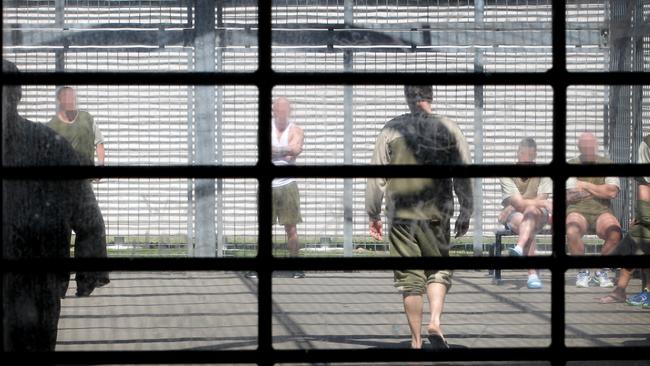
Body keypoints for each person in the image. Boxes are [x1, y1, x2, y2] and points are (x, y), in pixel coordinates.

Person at [2, 60, 109, 352]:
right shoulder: (50, 144)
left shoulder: (52, 145)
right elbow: (88, 217)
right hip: (41, 275)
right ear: (18, 95)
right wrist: (88, 272)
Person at [366, 85, 473, 350]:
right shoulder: (450, 128)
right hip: (438, 210)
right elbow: (463, 172)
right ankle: (435, 321)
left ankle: (415, 342)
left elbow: (377, 175)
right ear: (431, 96)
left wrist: (373, 213)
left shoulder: (391, 129)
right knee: (438, 267)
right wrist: (466, 208)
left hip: (401, 214)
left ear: (407, 98)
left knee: (410, 278)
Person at [246, 96, 304, 279]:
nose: (281, 113)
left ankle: (296, 267)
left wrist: (278, 150)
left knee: (291, 228)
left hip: (287, 184)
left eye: (284, 109)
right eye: (277, 109)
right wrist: (285, 151)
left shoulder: (296, 129)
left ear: (289, 111)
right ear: (273, 111)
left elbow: (296, 150)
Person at [597, 134, 650, 307]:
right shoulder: (647, 143)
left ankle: (625, 291)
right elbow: (644, 183)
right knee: (639, 236)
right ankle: (641, 292)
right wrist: (644, 214)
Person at [566, 132, 622, 288]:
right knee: (572, 231)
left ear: (596, 146)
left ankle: (600, 270)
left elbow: (612, 192)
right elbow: (570, 194)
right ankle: (582, 271)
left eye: (591, 146)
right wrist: (599, 190)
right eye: (585, 147)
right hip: (576, 210)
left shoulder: (608, 164)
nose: (588, 149)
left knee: (615, 231)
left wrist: (583, 185)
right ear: (579, 148)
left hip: (602, 211)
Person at [498, 138, 552, 289]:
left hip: (537, 214)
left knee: (530, 212)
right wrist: (538, 203)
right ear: (518, 154)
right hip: (519, 215)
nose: (526, 158)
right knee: (527, 222)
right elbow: (525, 202)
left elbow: (539, 198)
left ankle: (519, 247)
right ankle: (532, 274)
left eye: (530, 154)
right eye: (523, 154)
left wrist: (514, 205)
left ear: (535, 155)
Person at [47, 86, 105, 166]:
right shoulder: (52, 125)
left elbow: (99, 142)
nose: (70, 101)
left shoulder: (87, 118)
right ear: (59, 100)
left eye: (72, 97)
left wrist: (101, 164)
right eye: (66, 98)